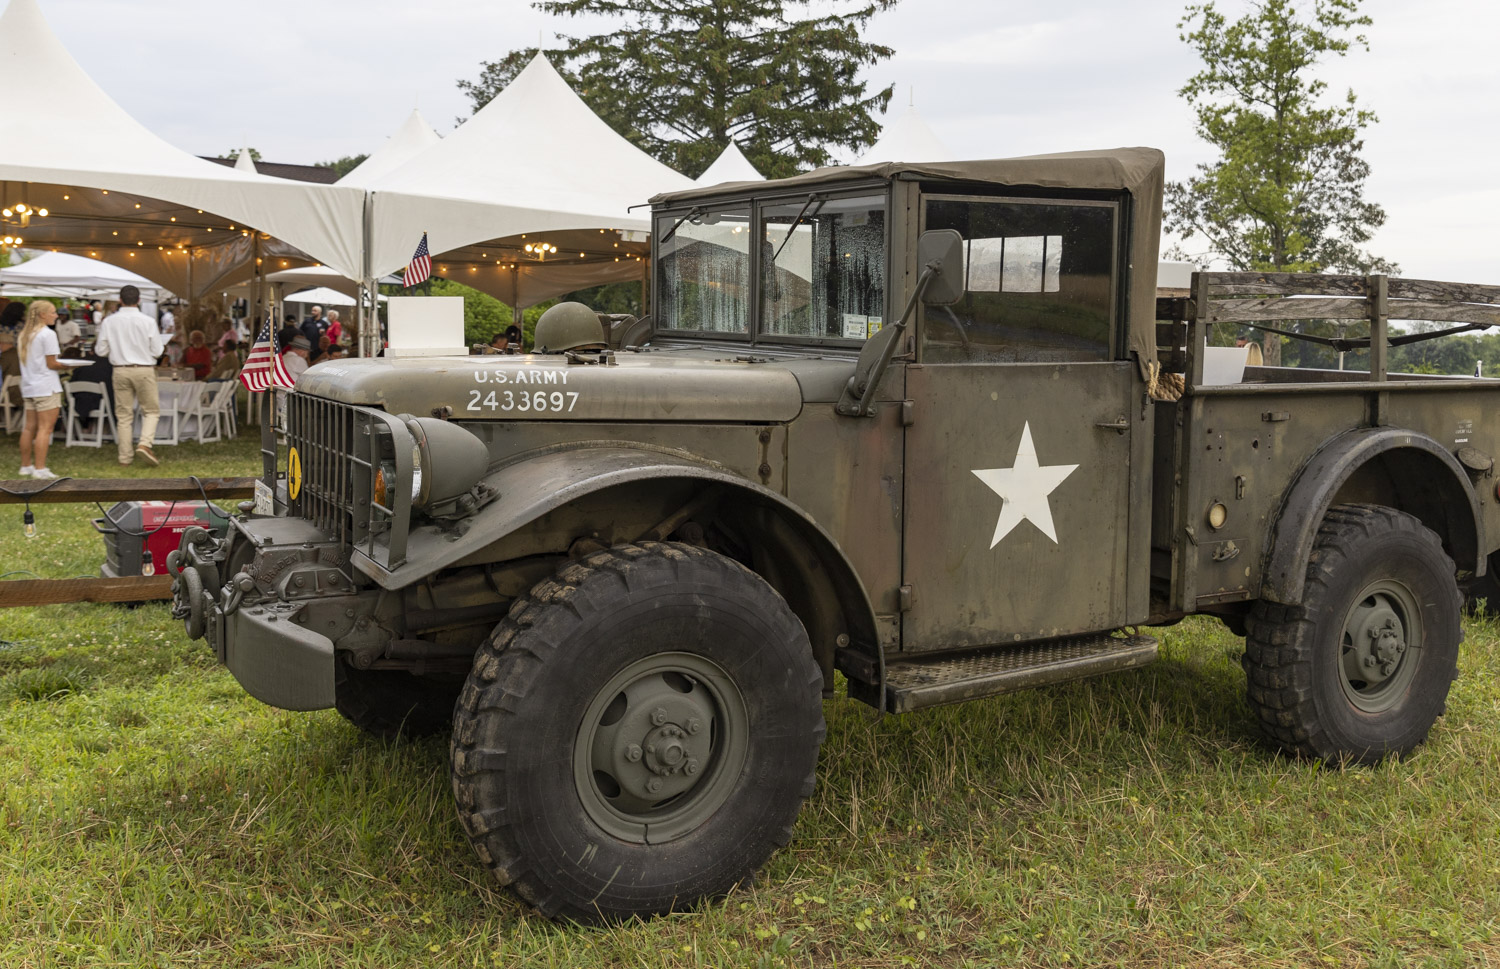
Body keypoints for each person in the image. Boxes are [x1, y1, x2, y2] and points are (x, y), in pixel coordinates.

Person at [95, 284, 165, 467]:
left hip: (120, 369)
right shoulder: (148, 321)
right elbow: (157, 351)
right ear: (139, 300)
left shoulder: (109, 321)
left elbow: (100, 350)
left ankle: (124, 458)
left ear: (120, 300)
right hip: (143, 369)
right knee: (151, 411)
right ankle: (144, 443)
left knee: (124, 415)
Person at [16, 301, 82, 478]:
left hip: (29, 386)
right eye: (52, 313)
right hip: (46, 386)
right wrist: (68, 366)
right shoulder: (47, 334)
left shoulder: (24, 334)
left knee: (29, 428)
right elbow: (52, 363)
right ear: (43, 315)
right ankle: (40, 468)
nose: (56, 315)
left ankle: (26, 466)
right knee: (45, 429)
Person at [69, 348, 115, 434]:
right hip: (103, 404)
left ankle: (83, 429)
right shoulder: (110, 365)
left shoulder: (81, 364)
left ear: (91, 351)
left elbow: (72, 383)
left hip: (79, 404)